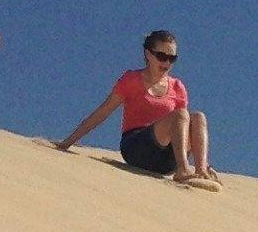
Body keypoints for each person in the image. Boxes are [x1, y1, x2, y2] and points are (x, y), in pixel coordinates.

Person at [56, 32, 218, 184]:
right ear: (148, 54)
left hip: (166, 160)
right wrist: (68, 142)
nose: (167, 63)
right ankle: (183, 170)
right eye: (162, 57)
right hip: (137, 149)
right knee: (181, 115)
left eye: (172, 58)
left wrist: (204, 161)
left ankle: (202, 171)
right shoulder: (131, 80)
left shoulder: (177, 87)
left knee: (198, 117)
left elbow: (186, 130)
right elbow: (104, 111)